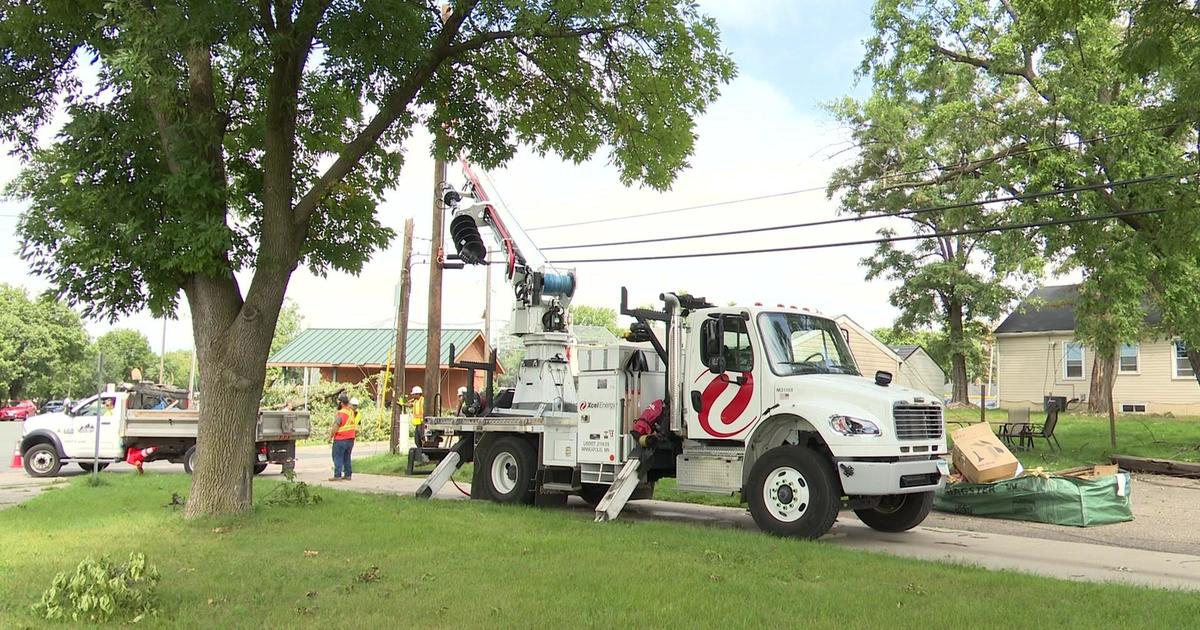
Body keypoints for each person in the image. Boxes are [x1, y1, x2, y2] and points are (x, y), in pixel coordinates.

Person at [329, 393, 358, 481]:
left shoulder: (340, 413)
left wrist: (330, 437)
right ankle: (348, 475)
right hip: (351, 439)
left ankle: (337, 476)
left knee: (337, 457)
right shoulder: (351, 412)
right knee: (347, 457)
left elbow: (336, 427)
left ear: (341, 403)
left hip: (341, 439)